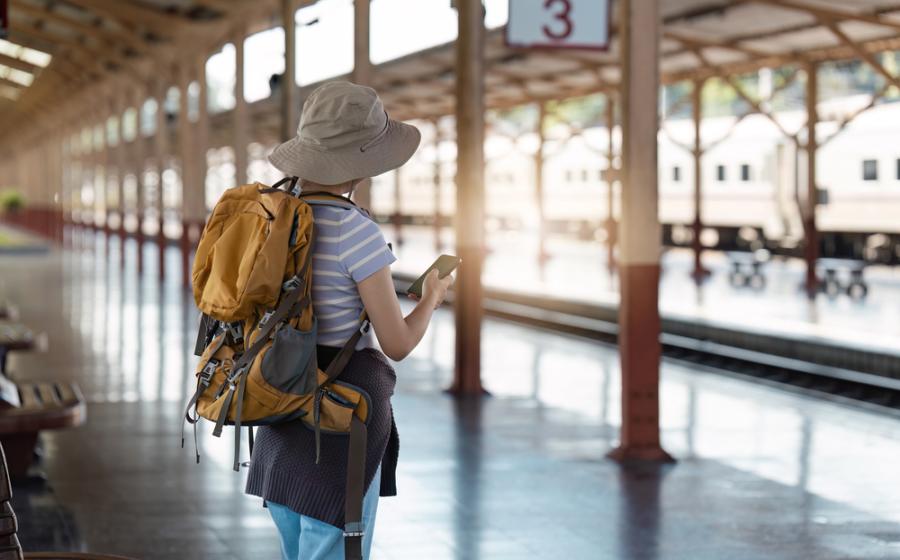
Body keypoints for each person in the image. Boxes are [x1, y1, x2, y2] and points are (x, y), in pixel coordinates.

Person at [245, 81, 454, 560]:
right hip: (336, 422)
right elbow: (397, 342)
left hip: (276, 412)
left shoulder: (274, 220)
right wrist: (431, 298)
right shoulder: (356, 230)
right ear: (363, 165)